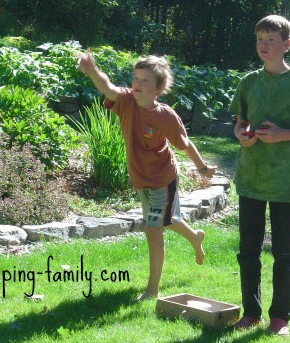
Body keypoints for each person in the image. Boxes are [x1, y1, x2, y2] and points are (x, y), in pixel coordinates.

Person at [78, 50, 217, 300]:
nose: (137, 84)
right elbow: (107, 86)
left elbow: (184, 144)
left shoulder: (165, 116)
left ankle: (152, 290)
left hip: (163, 179)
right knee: (164, 220)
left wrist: (203, 168)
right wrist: (92, 70)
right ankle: (195, 237)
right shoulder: (125, 101)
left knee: (154, 230)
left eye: (145, 81)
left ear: (158, 89)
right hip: (141, 179)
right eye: (135, 78)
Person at [229, 15, 290, 336]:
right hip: (250, 177)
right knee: (248, 251)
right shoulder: (249, 82)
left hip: (286, 181)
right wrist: (241, 134)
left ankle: (280, 318)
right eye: (259, 39)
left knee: (283, 252)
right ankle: (251, 314)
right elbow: (240, 121)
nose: (263, 45)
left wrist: (283, 134)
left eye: (270, 39)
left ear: (287, 43)